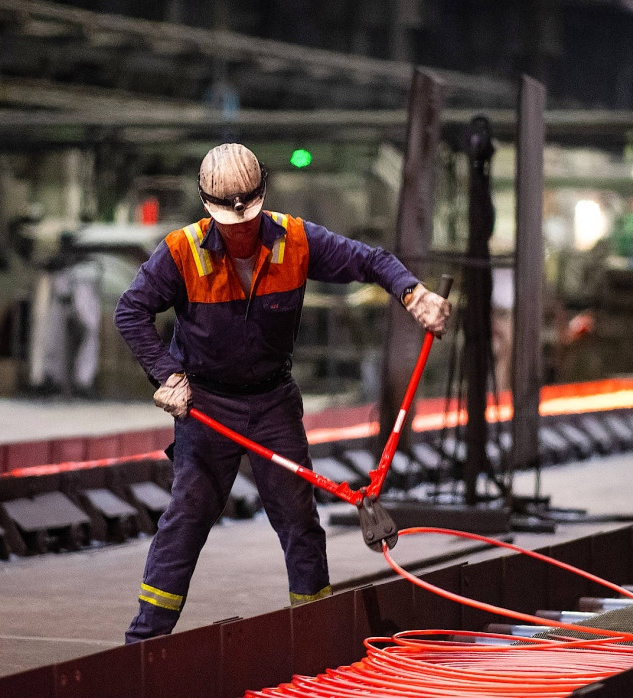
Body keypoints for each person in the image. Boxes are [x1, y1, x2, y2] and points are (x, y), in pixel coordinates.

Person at [114, 143, 451, 643]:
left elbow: (372, 260)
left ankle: (315, 636)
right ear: (209, 209)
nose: (241, 227)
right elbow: (131, 312)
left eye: (247, 215)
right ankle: (144, 644)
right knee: (186, 518)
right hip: (207, 405)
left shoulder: (295, 239)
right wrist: (167, 375)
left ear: (262, 195)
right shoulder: (181, 252)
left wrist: (414, 294)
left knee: (298, 521)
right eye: (229, 220)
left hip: (272, 402)